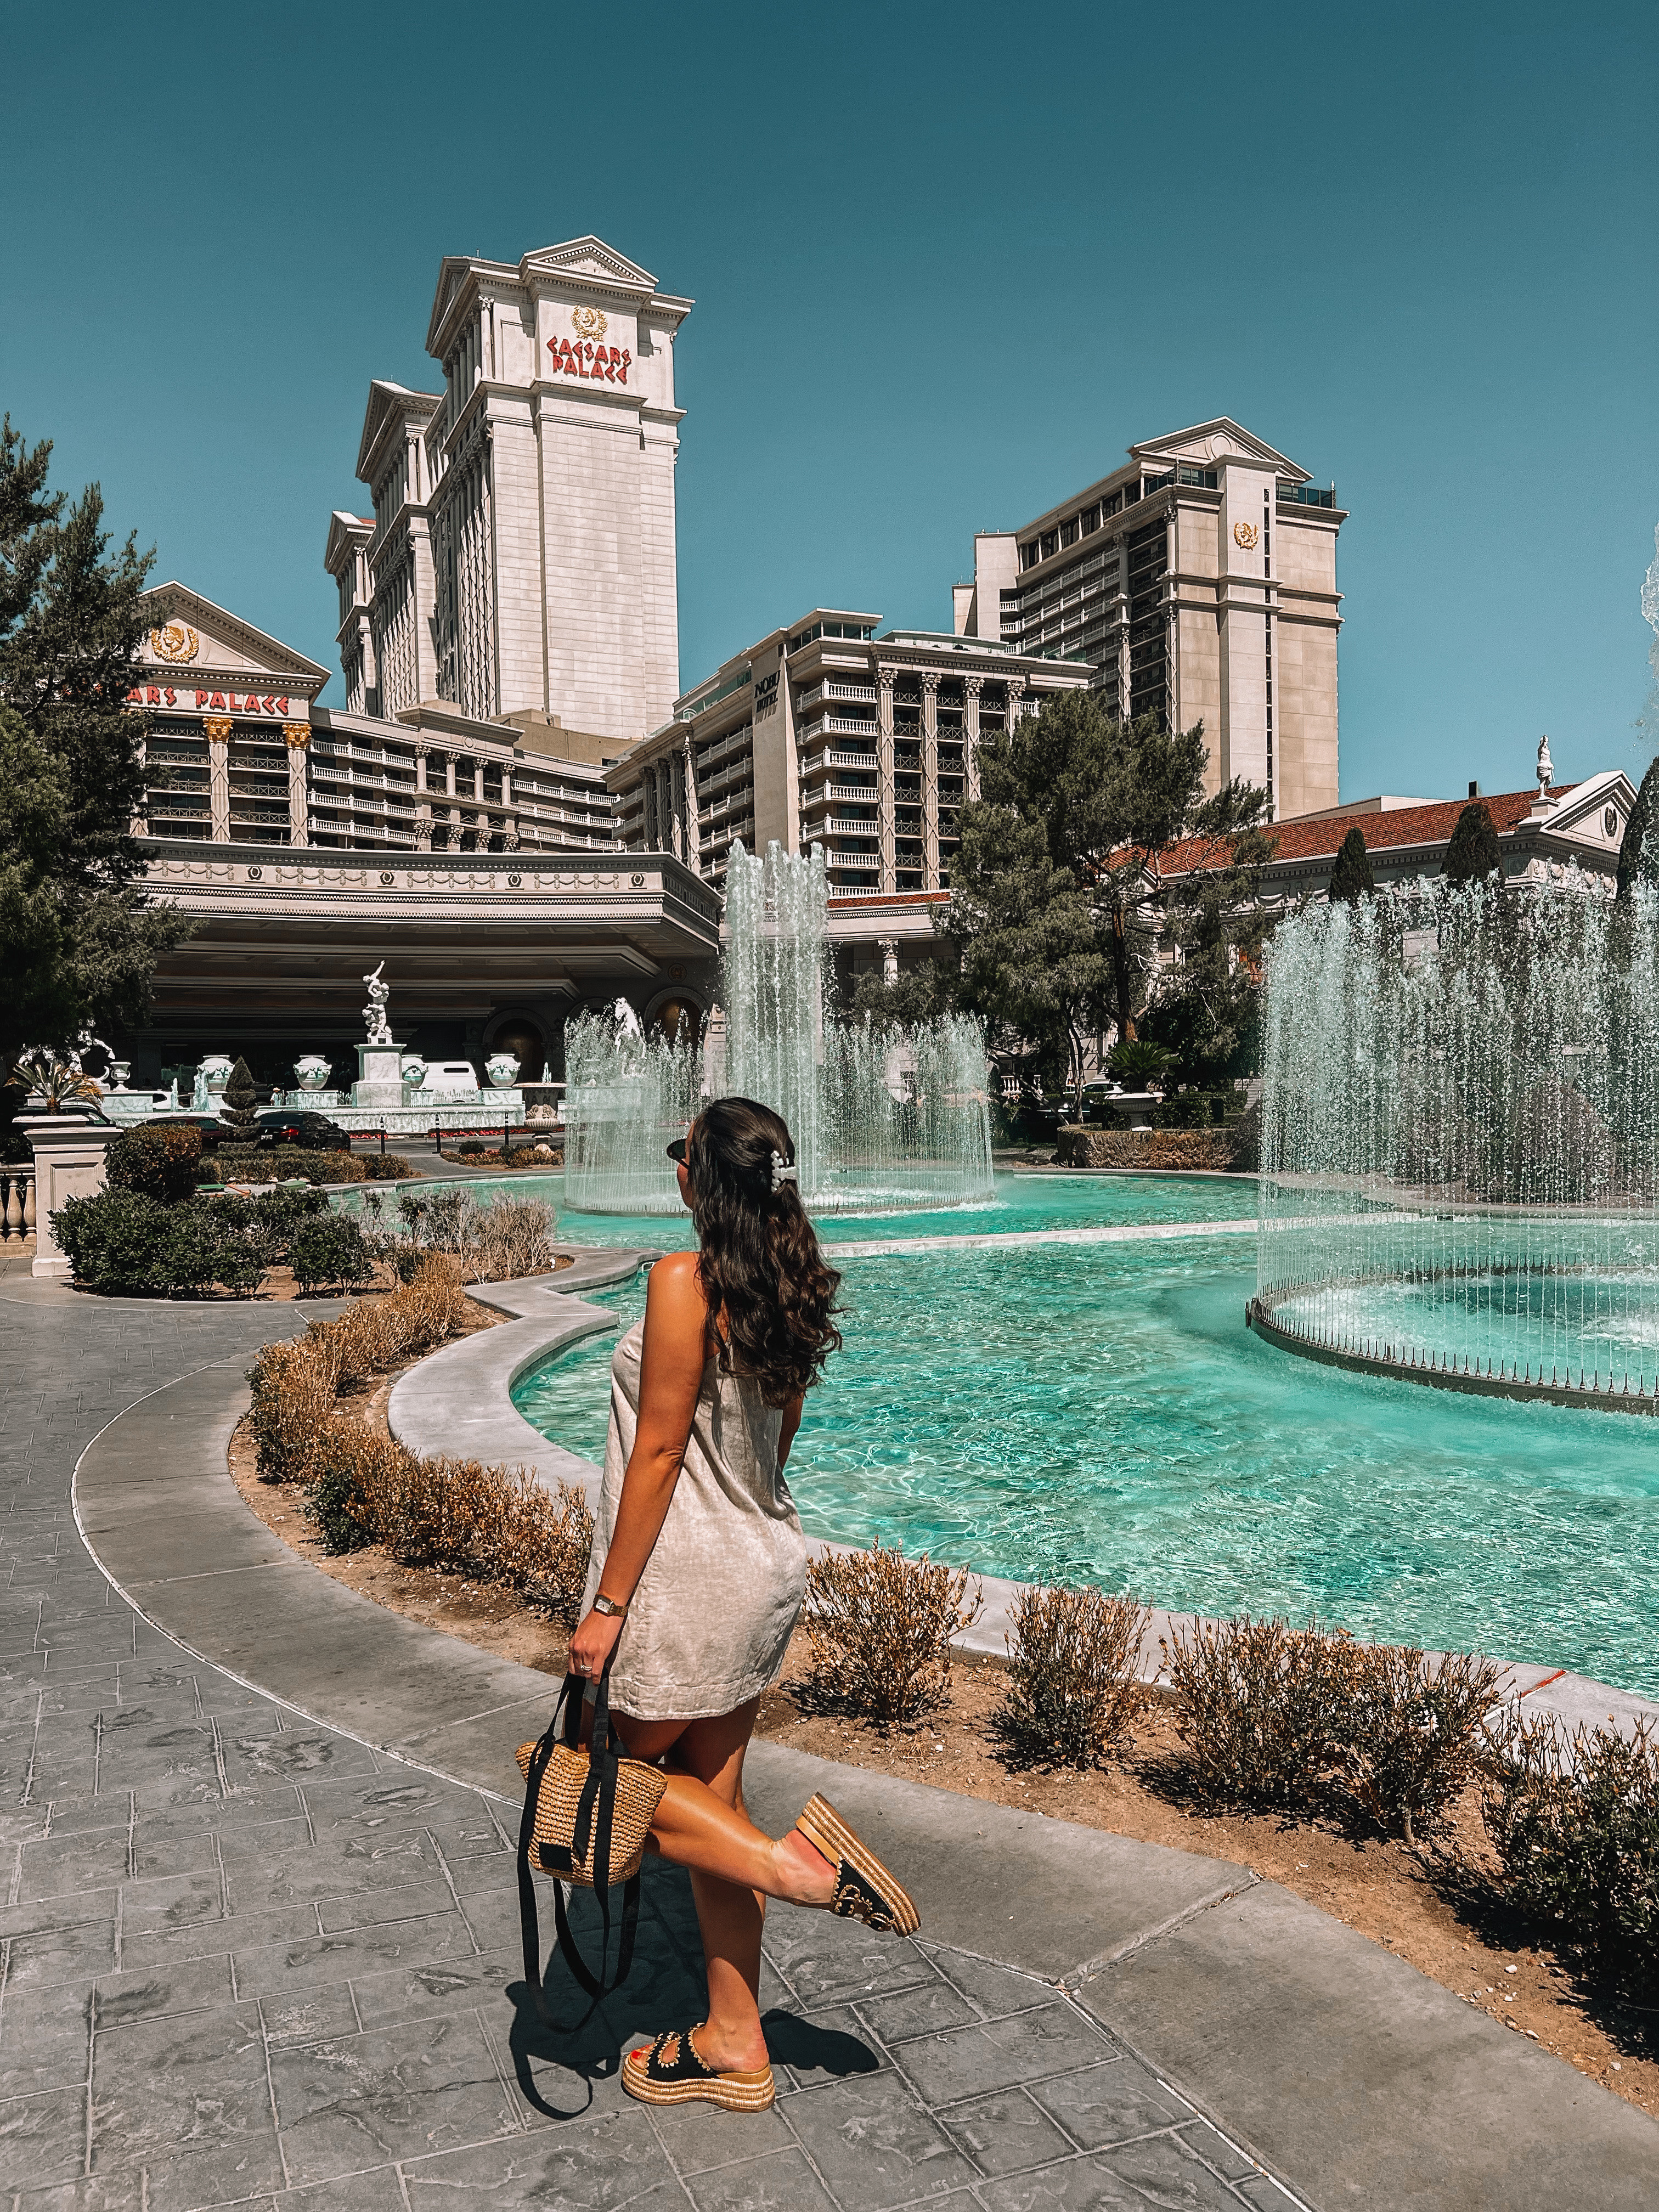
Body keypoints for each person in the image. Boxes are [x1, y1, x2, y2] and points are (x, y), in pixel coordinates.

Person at [566, 1096, 918, 2113]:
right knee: (707, 1805)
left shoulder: (681, 1282)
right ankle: (734, 2042)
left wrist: (606, 1603)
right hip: (763, 1563)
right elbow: (778, 1441)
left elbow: (662, 1449)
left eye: (683, 1155)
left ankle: (798, 1869)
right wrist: (743, 1530)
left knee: (601, 1784)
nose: (674, 1168)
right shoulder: (788, 1288)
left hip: (684, 1581)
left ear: (697, 1183)